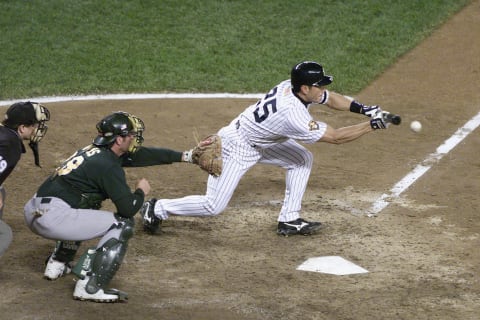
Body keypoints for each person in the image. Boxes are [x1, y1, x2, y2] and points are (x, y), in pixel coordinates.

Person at [141, 61, 397, 236]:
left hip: (261, 140)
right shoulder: (293, 114)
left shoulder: (291, 85)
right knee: (213, 206)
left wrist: (364, 109)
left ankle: (289, 219)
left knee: (301, 158)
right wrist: (371, 125)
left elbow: (330, 99)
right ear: (305, 88)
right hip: (237, 147)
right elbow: (336, 137)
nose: (323, 89)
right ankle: (158, 208)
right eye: (319, 85)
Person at [24, 111, 201, 303]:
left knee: (86, 204)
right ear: (118, 139)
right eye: (131, 135)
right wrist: (141, 191)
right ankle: (90, 287)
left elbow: (145, 155)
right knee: (122, 225)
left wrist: (185, 156)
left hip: (34, 211)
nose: (134, 139)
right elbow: (128, 208)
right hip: (53, 219)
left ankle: (57, 263)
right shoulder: (108, 165)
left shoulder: (95, 151)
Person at [0, 101, 50, 258]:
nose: (36, 129)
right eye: (33, 125)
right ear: (22, 128)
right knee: (4, 234)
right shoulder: (10, 145)